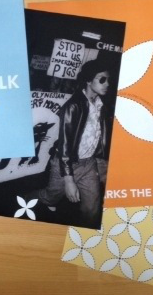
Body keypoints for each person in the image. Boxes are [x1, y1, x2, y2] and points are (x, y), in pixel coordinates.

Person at [37, 59, 112, 225]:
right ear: (88, 80)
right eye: (102, 79)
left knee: (92, 209)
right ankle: (24, 198)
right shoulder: (73, 106)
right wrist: (69, 180)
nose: (107, 84)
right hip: (66, 164)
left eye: (108, 80)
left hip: (89, 164)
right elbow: (65, 146)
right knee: (50, 197)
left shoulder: (101, 106)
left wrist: (102, 161)